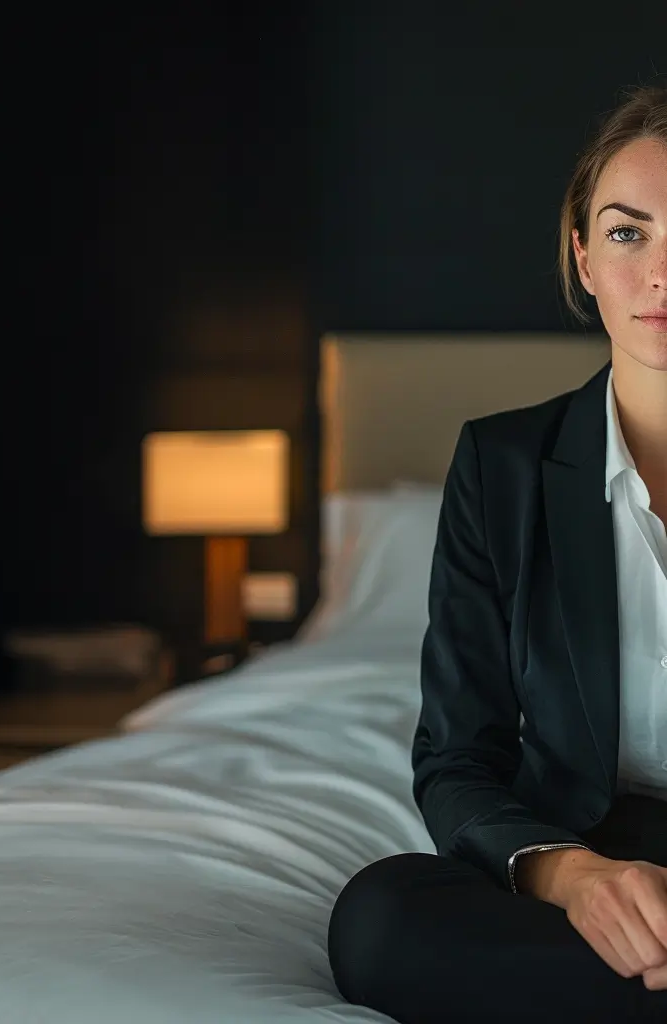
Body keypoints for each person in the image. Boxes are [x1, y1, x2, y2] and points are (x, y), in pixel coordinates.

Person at [327, 84, 667, 1023]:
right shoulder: (501, 465)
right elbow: (458, 756)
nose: (660, 275)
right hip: (586, 857)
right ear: (584, 257)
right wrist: (572, 878)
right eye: (629, 233)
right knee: (382, 918)